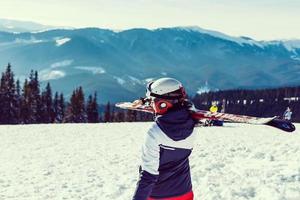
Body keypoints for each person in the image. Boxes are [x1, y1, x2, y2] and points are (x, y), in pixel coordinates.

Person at [132, 78, 196, 200]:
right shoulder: (192, 123)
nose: (151, 104)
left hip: (159, 195)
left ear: (161, 104)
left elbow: (148, 175)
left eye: (153, 102)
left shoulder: (154, 133)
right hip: (185, 192)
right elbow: (178, 104)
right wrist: (145, 100)